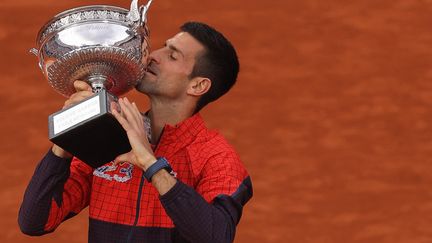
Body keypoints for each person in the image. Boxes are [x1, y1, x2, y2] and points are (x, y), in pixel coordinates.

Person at [18, 21, 253, 243]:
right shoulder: (109, 135)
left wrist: (151, 165)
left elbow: (216, 235)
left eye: (172, 55)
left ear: (198, 85)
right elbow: (34, 222)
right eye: (163, 47)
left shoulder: (217, 158)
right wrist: (67, 139)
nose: (152, 56)